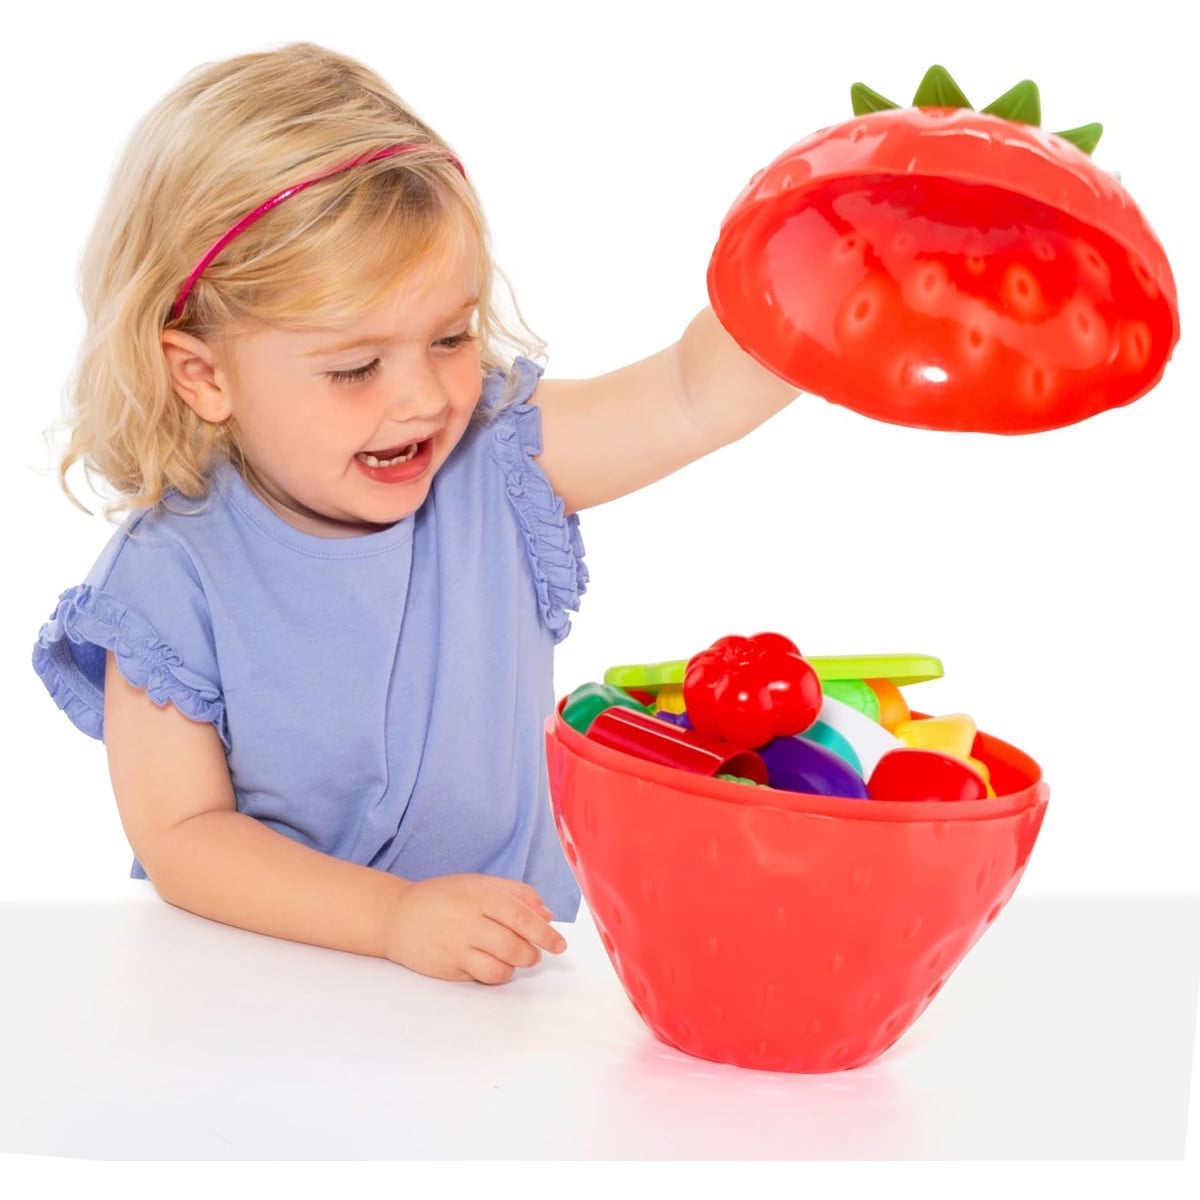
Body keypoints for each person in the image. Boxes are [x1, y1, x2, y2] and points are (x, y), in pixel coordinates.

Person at [32, 42, 799, 985]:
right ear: (203, 374)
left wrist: (830, 280)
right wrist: (395, 919)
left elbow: (692, 394)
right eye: (356, 367)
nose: (425, 400)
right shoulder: (167, 577)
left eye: (449, 338)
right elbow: (185, 837)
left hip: (502, 996)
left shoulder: (497, 459)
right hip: (260, 999)